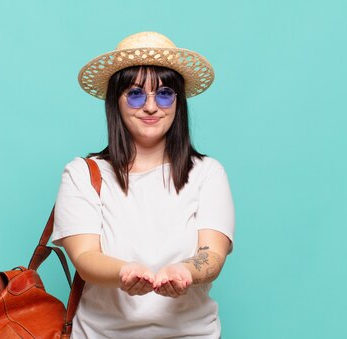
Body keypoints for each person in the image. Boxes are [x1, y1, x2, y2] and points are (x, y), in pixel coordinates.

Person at [51, 31, 235, 338]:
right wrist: (124, 272)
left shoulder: (208, 173)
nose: (151, 107)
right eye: (136, 94)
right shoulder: (83, 174)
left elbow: (212, 255)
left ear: (178, 102)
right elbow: (86, 258)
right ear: (116, 102)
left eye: (164, 93)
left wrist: (185, 271)